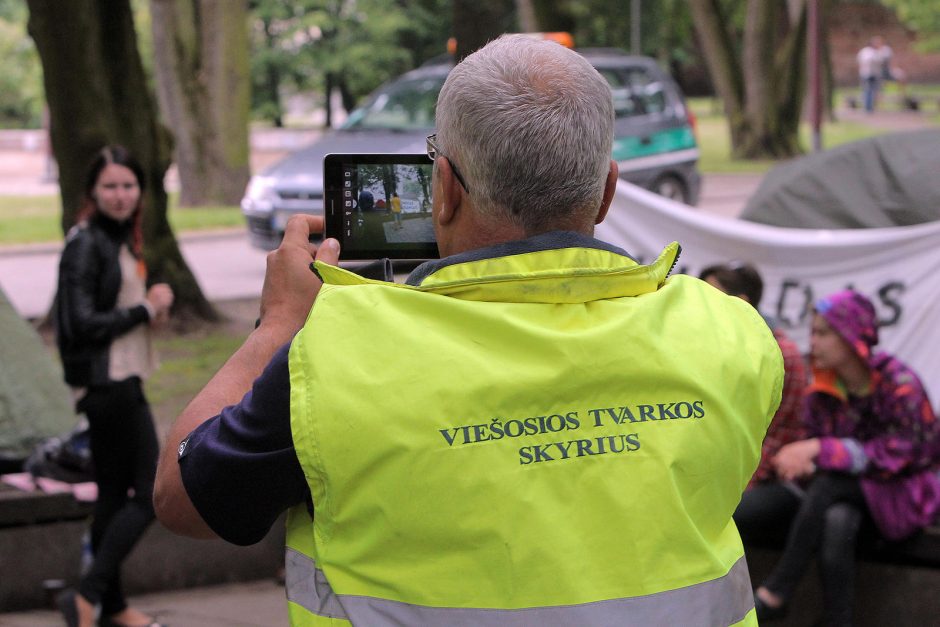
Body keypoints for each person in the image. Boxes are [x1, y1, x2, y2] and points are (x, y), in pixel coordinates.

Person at [154, 35, 783, 626]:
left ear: (444, 190)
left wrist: (278, 328)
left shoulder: (336, 357)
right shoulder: (730, 334)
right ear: (606, 192)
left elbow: (181, 498)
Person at [753, 290, 940, 626]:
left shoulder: (899, 384)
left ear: (853, 336)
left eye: (823, 333)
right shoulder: (825, 389)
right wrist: (808, 457)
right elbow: (817, 442)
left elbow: (900, 455)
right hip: (844, 499)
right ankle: (837, 620)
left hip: (903, 497)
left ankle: (777, 591)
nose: (814, 342)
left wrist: (818, 451)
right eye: (812, 332)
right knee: (837, 519)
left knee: (828, 486)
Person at [54, 145, 173, 627]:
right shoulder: (86, 242)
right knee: (149, 494)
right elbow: (81, 322)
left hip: (121, 379)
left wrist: (148, 310)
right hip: (110, 386)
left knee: (109, 496)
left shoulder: (120, 237)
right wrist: (145, 308)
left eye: (128, 185)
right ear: (92, 192)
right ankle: (87, 594)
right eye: (110, 186)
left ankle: (112, 606)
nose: (121, 195)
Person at [699, 263, 808, 546]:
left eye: (711, 298)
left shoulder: (782, 355)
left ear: (741, 303)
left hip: (773, 481)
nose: (699, 309)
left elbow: (774, 436)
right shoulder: (708, 348)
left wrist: (728, 488)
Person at [857, 36, 893, 113]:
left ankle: (871, 107)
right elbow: (869, 61)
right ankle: (867, 107)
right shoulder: (866, 51)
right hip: (867, 74)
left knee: (875, 91)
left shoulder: (880, 51)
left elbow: (885, 59)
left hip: (876, 74)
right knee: (867, 91)